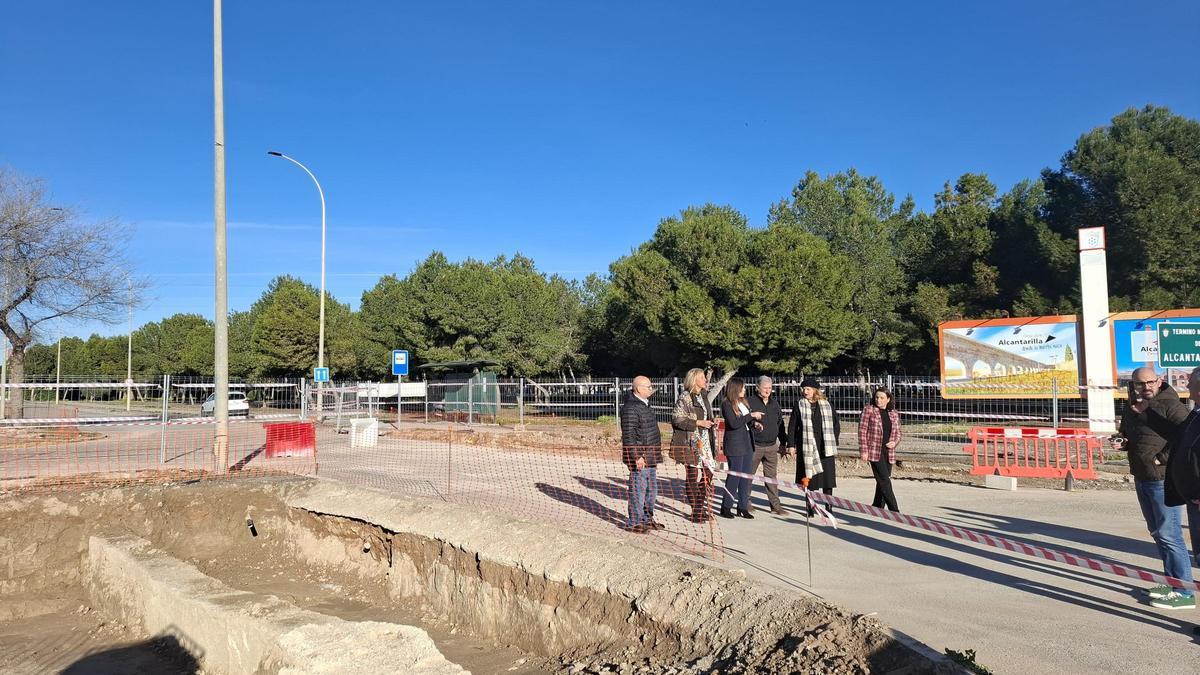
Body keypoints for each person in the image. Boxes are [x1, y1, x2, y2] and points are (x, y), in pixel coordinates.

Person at [1119, 366, 1194, 609]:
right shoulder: (1132, 404)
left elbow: (1188, 438)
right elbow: (1129, 433)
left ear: (1159, 380)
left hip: (1162, 479)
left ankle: (1183, 592)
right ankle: (1173, 585)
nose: (1146, 387)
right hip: (1142, 477)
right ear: (1134, 385)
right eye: (1141, 384)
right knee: (1158, 534)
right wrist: (1122, 442)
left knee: (1169, 535)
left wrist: (1161, 458)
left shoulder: (1171, 405)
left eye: (1150, 382)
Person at [671, 368, 718, 522]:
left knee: (708, 474)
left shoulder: (703, 396)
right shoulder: (685, 397)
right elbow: (677, 420)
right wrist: (698, 423)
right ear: (694, 379)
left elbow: (705, 416)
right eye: (703, 377)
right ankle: (696, 511)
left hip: (705, 441)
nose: (706, 380)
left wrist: (711, 422)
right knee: (692, 476)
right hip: (690, 441)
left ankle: (699, 508)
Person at [787, 377, 840, 515]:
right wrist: (791, 445)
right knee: (809, 479)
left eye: (808, 389)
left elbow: (835, 425)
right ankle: (810, 506)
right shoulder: (799, 405)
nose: (805, 391)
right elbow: (792, 426)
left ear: (815, 390)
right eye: (803, 389)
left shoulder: (827, 405)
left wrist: (833, 441)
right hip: (807, 447)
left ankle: (829, 507)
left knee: (827, 480)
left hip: (824, 447)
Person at [619, 376, 663, 534]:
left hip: (651, 456)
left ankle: (646, 519)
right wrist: (637, 456)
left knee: (651, 490)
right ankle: (635, 522)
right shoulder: (631, 407)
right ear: (638, 388)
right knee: (638, 489)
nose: (651, 389)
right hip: (641, 457)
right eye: (648, 386)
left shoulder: (644, 404)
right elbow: (629, 435)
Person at [719, 378, 764, 519]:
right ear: (735, 388)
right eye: (743, 388)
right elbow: (733, 423)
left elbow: (745, 422)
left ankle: (743, 507)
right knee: (735, 476)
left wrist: (754, 424)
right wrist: (751, 416)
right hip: (735, 445)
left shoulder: (743, 403)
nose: (745, 390)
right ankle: (726, 506)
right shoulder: (727, 404)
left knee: (746, 477)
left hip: (747, 443)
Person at [748, 376, 787, 515]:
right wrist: (754, 423)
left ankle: (775, 506)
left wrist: (783, 443)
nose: (768, 390)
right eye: (765, 387)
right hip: (755, 445)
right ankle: (746, 502)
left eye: (770, 388)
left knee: (771, 477)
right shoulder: (750, 402)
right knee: (749, 475)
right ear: (757, 387)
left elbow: (780, 424)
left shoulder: (775, 404)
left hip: (771, 446)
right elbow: (745, 420)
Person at [858, 387, 901, 512]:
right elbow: (862, 431)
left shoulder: (893, 413)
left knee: (882, 479)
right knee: (884, 480)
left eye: (882, 398)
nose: (878, 400)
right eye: (877, 397)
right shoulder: (869, 410)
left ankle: (877, 506)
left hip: (888, 451)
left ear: (888, 399)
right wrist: (864, 451)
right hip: (874, 450)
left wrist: (895, 442)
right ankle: (894, 510)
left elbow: (898, 432)